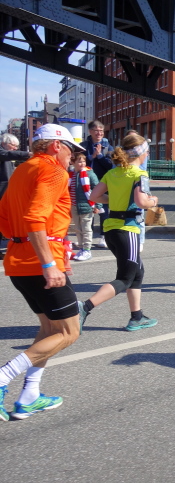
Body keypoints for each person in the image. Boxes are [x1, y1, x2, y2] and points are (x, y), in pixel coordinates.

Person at [0, 124, 84, 420]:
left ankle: (30, 395)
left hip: (18, 260)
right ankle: (2, 377)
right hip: (42, 263)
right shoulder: (54, 171)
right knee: (69, 332)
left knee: (49, 329)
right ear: (55, 146)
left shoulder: (22, 170)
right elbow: (36, 218)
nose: (72, 156)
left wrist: (29, 243)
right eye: (71, 149)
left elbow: (4, 218)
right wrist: (49, 263)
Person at [80, 133, 159, 331]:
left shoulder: (113, 173)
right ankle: (84, 307)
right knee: (125, 278)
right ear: (141, 153)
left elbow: (94, 196)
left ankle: (136, 317)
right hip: (128, 229)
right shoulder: (139, 174)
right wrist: (153, 201)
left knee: (137, 272)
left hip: (111, 230)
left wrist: (114, 199)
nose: (148, 154)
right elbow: (141, 201)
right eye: (147, 151)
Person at [82, 120, 114, 249]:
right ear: (90, 131)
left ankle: (103, 236)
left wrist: (100, 156)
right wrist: (91, 156)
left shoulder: (108, 146)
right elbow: (78, 161)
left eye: (101, 131)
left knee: (103, 211)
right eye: (96, 130)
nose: (99, 133)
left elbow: (110, 165)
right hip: (85, 181)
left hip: (102, 182)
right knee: (87, 211)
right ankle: (86, 237)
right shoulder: (83, 146)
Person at [69, 153, 102, 261]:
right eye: (79, 161)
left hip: (87, 205)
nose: (82, 163)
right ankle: (81, 248)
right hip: (74, 206)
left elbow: (98, 189)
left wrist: (98, 205)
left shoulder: (89, 174)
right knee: (78, 229)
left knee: (86, 229)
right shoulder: (71, 174)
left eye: (83, 161)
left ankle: (87, 250)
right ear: (72, 162)